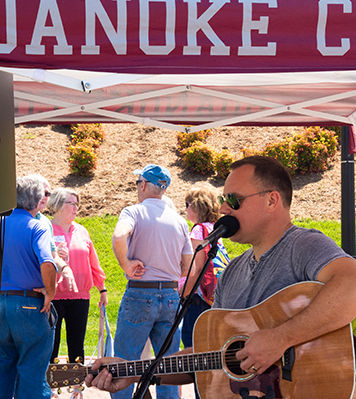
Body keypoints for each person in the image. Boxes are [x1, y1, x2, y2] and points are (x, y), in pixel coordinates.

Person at [86, 155, 356, 393]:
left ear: (272, 201)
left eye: (234, 200)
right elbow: (213, 356)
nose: (223, 208)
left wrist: (280, 339)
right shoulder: (234, 271)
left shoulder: (304, 245)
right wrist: (137, 372)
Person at [110, 164, 194, 399]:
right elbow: (188, 265)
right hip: (169, 296)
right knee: (169, 364)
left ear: (144, 185)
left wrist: (127, 265)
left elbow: (119, 236)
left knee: (125, 362)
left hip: (140, 291)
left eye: (138, 183)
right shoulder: (179, 221)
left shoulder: (133, 212)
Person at [0, 174, 59, 399]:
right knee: (33, 370)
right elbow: (48, 261)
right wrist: (50, 291)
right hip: (30, 305)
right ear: (37, 198)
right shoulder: (37, 227)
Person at [47, 187, 107, 365]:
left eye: (77, 204)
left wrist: (101, 288)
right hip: (53, 296)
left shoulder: (82, 231)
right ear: (57, 205)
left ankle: (76, 386)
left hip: (80, 296)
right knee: (52, 344)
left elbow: (93, 263)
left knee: (77, 345)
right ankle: (51, 387)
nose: (75, 208)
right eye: (71, 203)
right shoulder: (46, 229)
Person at [179, 183, 227, 399]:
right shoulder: (215, 228)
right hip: (213, 299)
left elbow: (196, 268)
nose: (185, 209)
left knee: (195, 355)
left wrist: (183, 295)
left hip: (198, 301)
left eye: (187, 204)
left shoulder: (199, 230)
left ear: (196, 206)